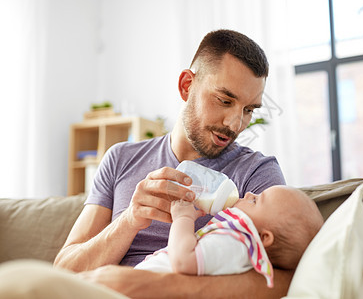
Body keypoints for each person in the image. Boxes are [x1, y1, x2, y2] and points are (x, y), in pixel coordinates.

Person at [0, 29, 292, 298]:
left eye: (249, 110)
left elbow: (287, 279)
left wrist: (160, 285)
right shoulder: (120, 159)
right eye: (225, 101)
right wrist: (129, 220)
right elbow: (65, 271)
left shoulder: (257, 174)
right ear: (186, 85)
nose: (235, 124)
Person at [134, 185, 324, 289]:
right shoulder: (236, 242)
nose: (248, 193)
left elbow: (183, 261)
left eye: (256, 200)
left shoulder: (237, 243)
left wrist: (183, 218)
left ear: (264, 237)